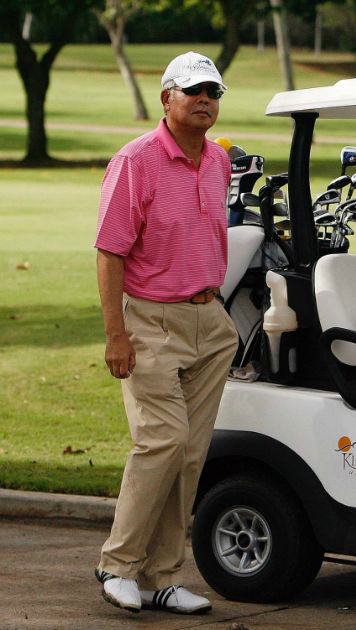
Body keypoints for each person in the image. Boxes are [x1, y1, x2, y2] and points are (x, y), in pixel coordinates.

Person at [93, 51, 238, 615]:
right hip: (149, 320)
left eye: (213, 92)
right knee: (163, 442)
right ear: (167, 98)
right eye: (193, 91)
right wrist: (116, 335)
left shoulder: (218, 161)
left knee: (191, 454)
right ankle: (117, 564)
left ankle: (159, 577)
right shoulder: (137, 161)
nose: (205, 100)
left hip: (209, 320)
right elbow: (109, 253)